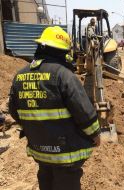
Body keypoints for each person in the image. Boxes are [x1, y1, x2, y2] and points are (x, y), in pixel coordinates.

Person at [9, 26, 101, 190]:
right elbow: (84, 112)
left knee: (46, 180)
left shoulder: (19, 76)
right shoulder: (64, 75)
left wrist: (34, 128)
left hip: (40, 151)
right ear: (63, 51)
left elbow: (14, 112)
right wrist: (95, 134)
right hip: (66, 154)